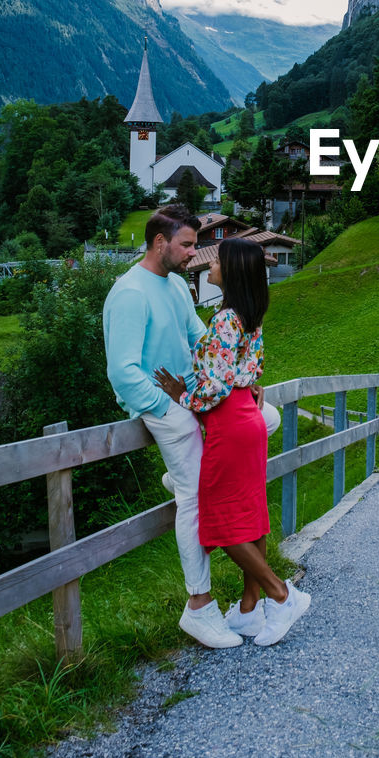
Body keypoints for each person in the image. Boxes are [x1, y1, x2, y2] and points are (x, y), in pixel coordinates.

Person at [103, 204, 277, 649]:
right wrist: (175, 407)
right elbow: (123, 372)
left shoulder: (177, 285)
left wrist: (243, 382)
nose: (193, 253)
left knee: (266, 419)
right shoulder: (129, 293)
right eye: (186, 244)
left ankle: (184, 474)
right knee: (195, 496)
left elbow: (204, 339)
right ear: (160, 242)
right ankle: (198, 606)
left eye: (196, 245)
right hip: (165, 405)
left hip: (196, 395)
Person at [154, 237, 311, 647]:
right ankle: (247, 609)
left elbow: (216, 386)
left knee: (220, 522)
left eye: (218, 260)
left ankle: (282, 595)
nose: (210, 264)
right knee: (251, 513)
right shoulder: (250, 317)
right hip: (248, 418)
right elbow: (248, 370)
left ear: (233, 270)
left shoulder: (226, 320)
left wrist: (180, 396)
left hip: (229, 423)